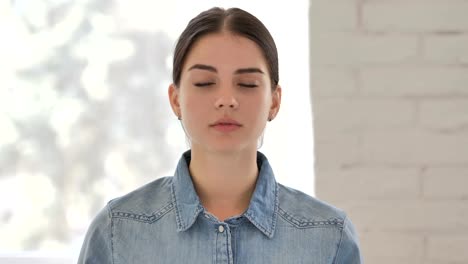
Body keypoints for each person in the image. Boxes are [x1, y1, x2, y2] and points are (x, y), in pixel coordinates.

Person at [78, 7, 362, 264]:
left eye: (247, 84)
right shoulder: (117, 230)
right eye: (205, 83)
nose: (226, 100)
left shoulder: (328, 236)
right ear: (175, 99)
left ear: (274, 101)